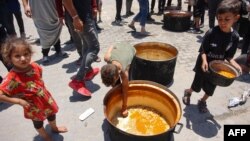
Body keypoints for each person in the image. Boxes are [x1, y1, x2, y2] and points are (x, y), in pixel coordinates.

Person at [0, 37, 68, 141]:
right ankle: (45, 136)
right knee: (38, 122)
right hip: (32, 106)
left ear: (30, 54)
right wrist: (18, 100)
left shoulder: (35, 66)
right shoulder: (12, 77)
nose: (23, 58)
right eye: (17, 56)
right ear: (10, 58)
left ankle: (54, 128)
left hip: (46, 99)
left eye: (26, 54)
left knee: (52, 115)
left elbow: (39, 79)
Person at [182, 0, 242, 113]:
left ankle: (203, 101)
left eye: (227, 19)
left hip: (217, 68)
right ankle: (188, 92)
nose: (222, 22)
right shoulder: (211, 32)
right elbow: (203, 51)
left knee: (211, 87)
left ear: (236, 18)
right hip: (203, 63)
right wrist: (204, 61)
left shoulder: (235, 37)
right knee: (197, 84)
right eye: (219, 19)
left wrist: (236, 65)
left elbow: (229, 57)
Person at [63, 0, 100, 96]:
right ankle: (78, 80)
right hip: (80, 17)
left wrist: (93, 6)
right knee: (94, 48)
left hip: (84, 15)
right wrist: (75, 18)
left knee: (87, 45)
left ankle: (88, 71)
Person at [22, 0, 68, 64]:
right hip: (37, 9)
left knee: (55, 28)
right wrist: (26, 6)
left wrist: (61, 5)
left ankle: (58, 50)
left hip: (52, 6)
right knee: (43, 31)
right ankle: (45, 54)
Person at [101, 42, 136, 117]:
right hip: (120, 46)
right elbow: (112, 45)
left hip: (130, 49)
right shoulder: (107, 57)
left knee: (127, 83)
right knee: (117, 86)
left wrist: (124, 106)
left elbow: (125, 90)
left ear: (118, 74)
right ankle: (117, 89)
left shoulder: (124, 72)